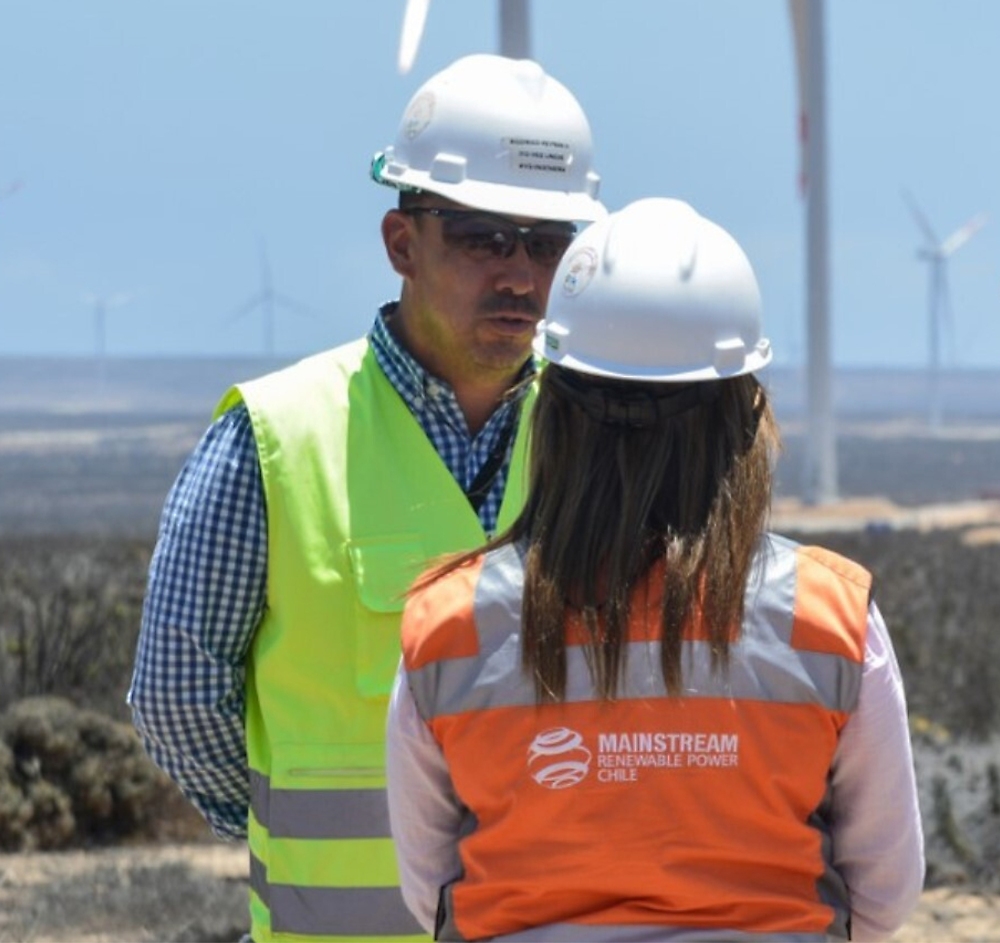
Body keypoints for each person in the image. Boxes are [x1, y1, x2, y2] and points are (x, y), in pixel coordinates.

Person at [128, 53, 605, 943]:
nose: (521, 274)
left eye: (549, 242)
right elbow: (177, 696)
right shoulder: (273, 440)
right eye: (483, 236)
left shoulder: (603, 443)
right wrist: (282, 824)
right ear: (401, 244)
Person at [386, 197, 925, 942]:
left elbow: (432, 887)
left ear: (556, 407)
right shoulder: (828, 619)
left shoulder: (450, 625)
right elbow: (884, 892)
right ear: (744, 410)